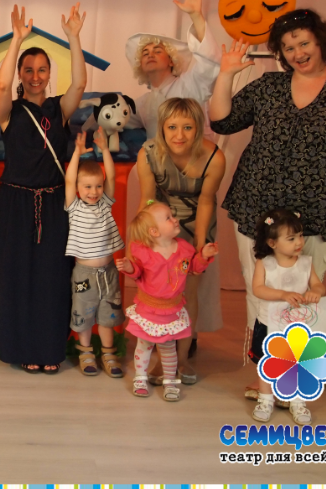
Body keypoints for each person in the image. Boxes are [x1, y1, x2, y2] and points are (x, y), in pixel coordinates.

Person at [208, 8, 326, 341]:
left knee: (306, 293)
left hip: (318, 211)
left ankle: (297, 362)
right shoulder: (269, 86)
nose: (298, 53)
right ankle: (262, 364)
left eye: (304, 43)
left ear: (321, 42)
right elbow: (223, 122)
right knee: (259, 289)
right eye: (288, 48)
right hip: (257, 204)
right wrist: (225, 75)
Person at [0, 2, 88, 374]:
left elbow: (80, 84)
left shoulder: (59, 109)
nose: (36, 76)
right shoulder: (8, 111)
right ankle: (21, 347)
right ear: (21, 74)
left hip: (54, 203)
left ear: (49, 73)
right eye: (29, 69)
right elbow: (1, 85)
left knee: (51, 277)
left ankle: (49, 348)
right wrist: (17, 41)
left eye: (42, 70)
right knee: (17, 277)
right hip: (15, 204)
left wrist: (74, 37)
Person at [137, 98, 226, 385]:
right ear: (162, 128)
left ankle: (182, 358)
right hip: (160, 223)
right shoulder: (148, 154)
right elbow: (147, 200)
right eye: (172, 127)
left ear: (198, 128)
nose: (179, 135)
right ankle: (159, 358)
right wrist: (141, 241)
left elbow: (206, 201)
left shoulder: (214, 158)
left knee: (188, 292)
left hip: (197, 220)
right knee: (157, 290)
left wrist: (198, 245)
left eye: (187, 127)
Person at [117, 201, 217, 401]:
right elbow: (138, 273)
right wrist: (129, 268)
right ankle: (140, 378)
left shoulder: (184, 249)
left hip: (171, 310)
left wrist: (203, 257)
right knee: (144, 345)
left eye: (172, 215)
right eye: (168, 218)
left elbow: (192, 269)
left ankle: (170, 381)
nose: (175, 219)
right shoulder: (143, 251)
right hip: (148, 309)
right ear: (154, 231)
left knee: (169, 348)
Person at [248, 209, 326, 425]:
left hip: (297, 326)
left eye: (300, 235)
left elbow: (318, 285)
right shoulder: (265, 263)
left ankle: (297, 401)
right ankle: (265, 400)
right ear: (272, 243)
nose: (299, 242)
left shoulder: (306, 263)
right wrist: (282, 294)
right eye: (291, 238)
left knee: (297, 363)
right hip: (268, 322)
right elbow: (258, 289)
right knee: (266, 363)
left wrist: (316, 291)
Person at [125, 0, 220, 138]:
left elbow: (210, 63)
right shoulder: (142, 104)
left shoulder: (190, 84)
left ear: (171, 60)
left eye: (157, 51)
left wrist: (196, 16)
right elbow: (114, 117)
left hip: (194, 154)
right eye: (145, 53)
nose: (150, 55)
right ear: (140, 65)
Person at [64, 130, 125, 377]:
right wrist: (77, 154)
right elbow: (69, 181)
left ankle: (108, 353)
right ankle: (85, 351)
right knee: (84, 313)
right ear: (79, 188)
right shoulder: (74, 206)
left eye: (98, 186)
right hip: (84, 275)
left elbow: (111, 175)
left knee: (108, 314)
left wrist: (105, 150)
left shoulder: (105, 204)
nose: (94, 191)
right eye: (88, 187)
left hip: (108, 272)